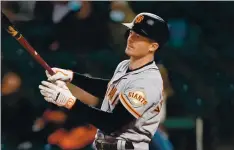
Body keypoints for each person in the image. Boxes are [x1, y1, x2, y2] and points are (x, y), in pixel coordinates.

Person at [39, 12, 170, 150]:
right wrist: (72, 77)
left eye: (139, 37)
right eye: (131, 33)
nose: (131, 39)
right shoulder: (126, 66)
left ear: (153, 46)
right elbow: (110, 90)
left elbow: (112, 123)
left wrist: (70, 102)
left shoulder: (147, 82)